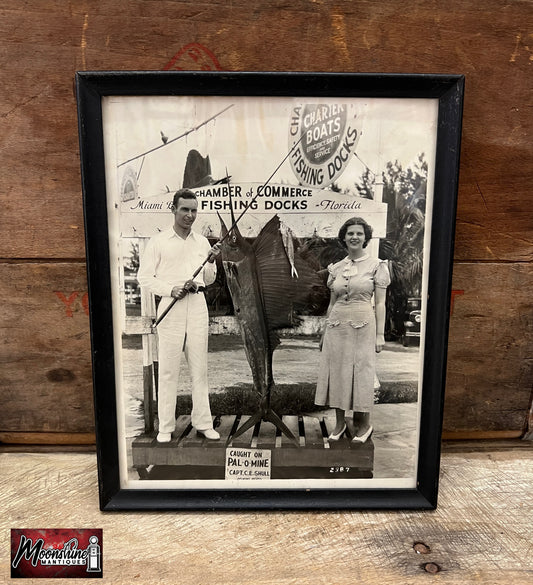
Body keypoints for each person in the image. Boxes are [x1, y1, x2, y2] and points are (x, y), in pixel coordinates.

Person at [137, 188, 221, 442]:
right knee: (168, 370)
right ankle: (165, 426)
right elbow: (144, 277)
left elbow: (210, 279)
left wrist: (211, 261)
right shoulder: (159, 241)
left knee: (200, 369)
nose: (190, 215)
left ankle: (203, 423)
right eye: (185, 209)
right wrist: (170, 289)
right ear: (173, 209)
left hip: (197, 306)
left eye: (194, 210)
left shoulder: (202, 242)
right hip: (170, 306)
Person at [315, 217, 390, 443]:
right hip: (336, 325)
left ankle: (365, 425)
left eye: (359, 233)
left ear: (365, 237)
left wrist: (380, 334)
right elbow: (331, 302)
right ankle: (339, 424)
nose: (354, 237)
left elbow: (379, 303)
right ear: (344, 238)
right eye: (350, 233)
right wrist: (324, 332)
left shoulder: (377, 265)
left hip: (363, 324)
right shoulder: (336, 268)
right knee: (337, 372)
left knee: (361, 373)